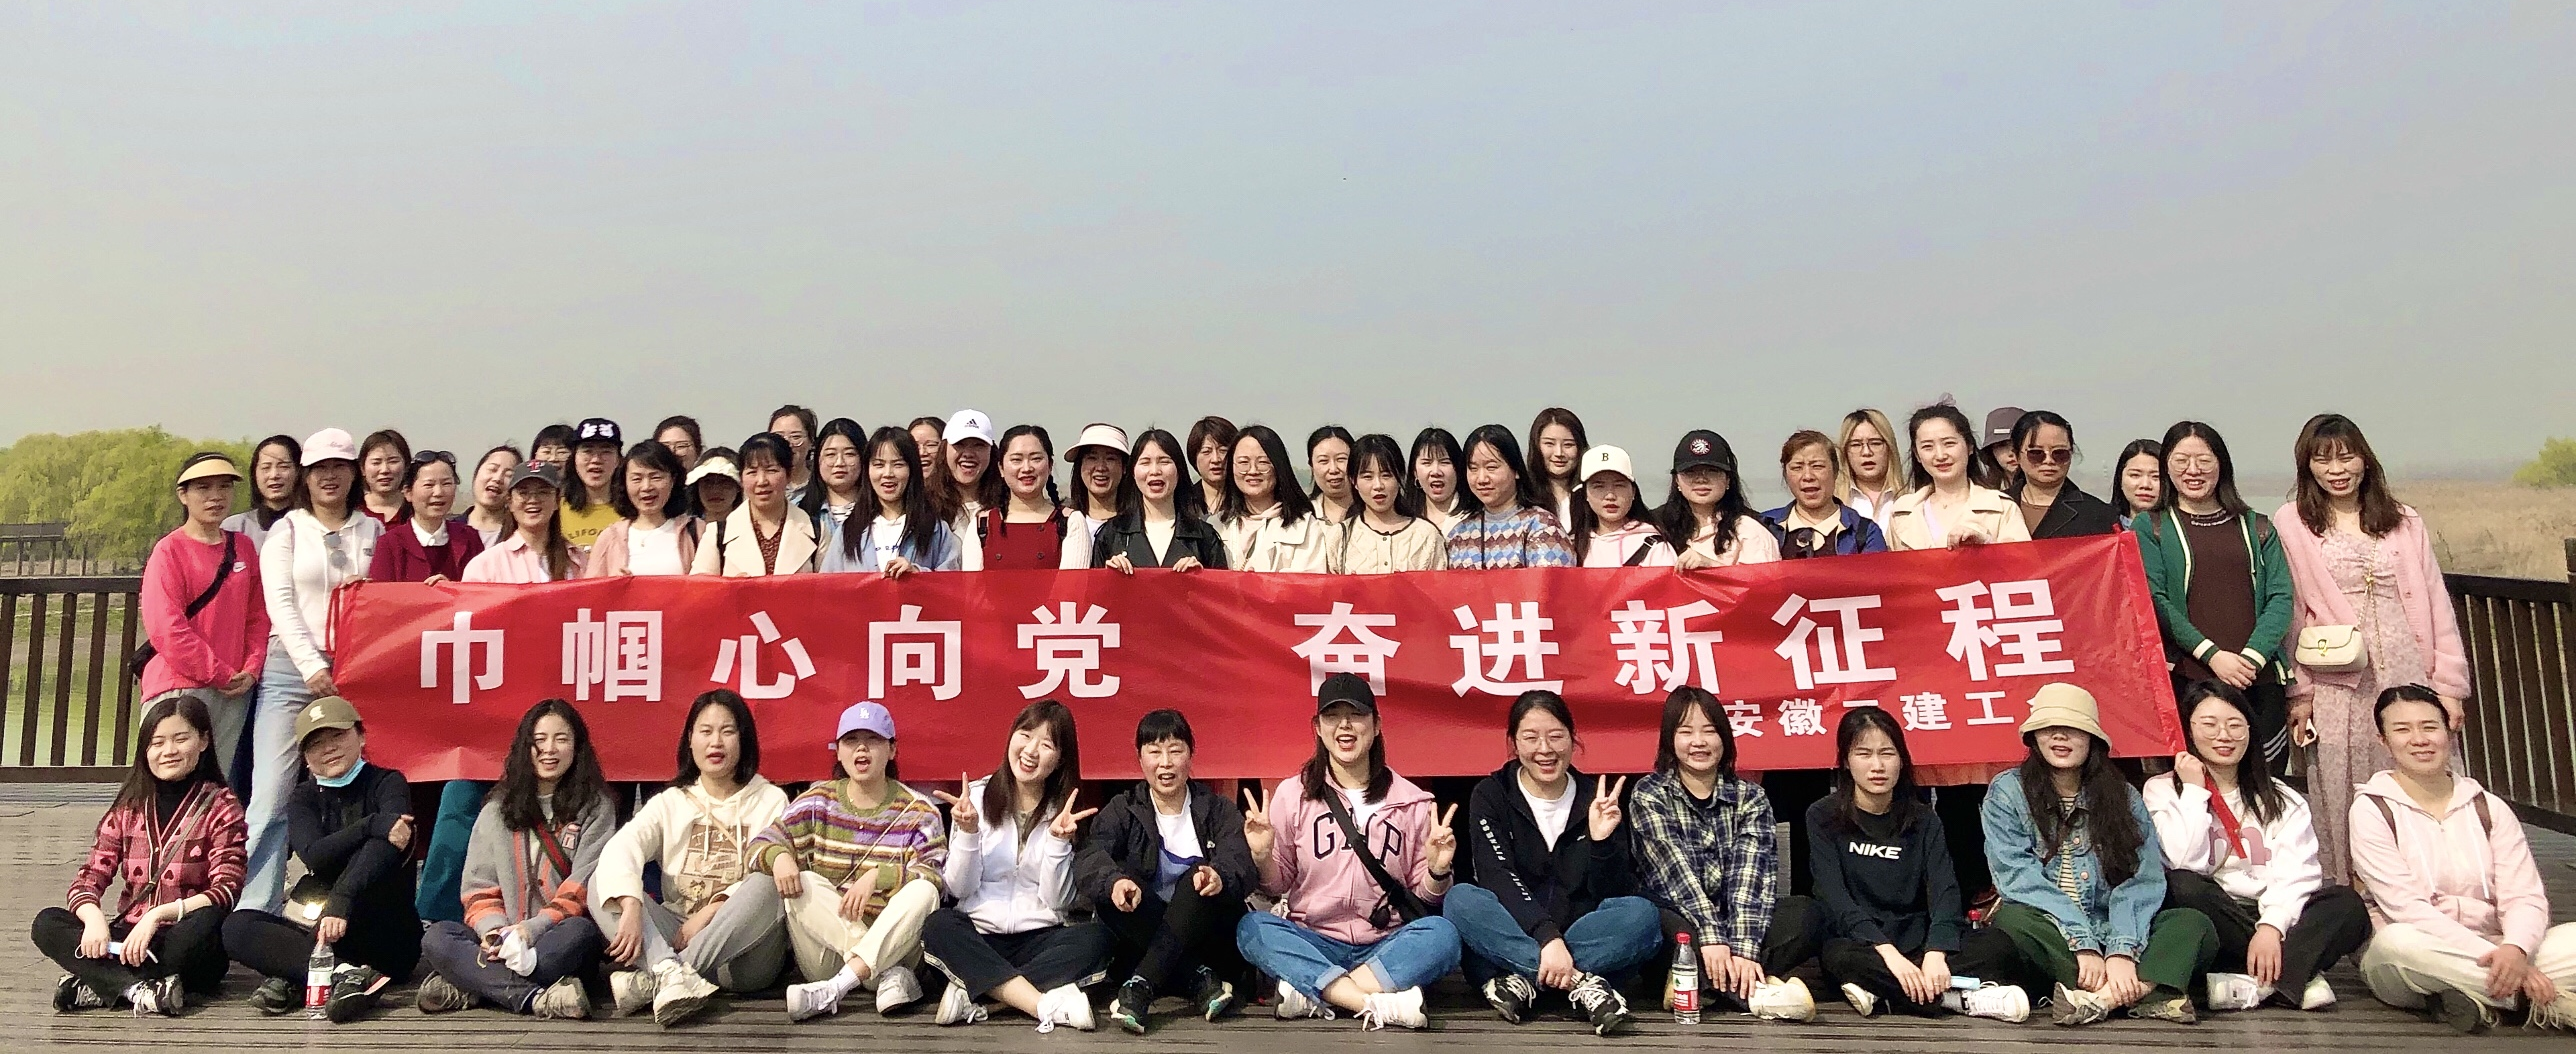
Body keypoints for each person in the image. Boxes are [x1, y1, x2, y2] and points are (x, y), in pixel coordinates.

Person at [2276, 413, 2470, 885]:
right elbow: (2293, 612)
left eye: (2346, 457)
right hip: (2337, 680)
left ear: (2365, 459)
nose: (2336, 469)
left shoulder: (2404, 519)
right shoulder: (2292, 522)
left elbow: (2435, 600)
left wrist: (2448, 686)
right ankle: (2356, 894)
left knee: (2419, 764)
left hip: (2408, 666)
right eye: (2322, 460)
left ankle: (2439, 885)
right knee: (2345, 783)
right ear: (2307, 467)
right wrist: (2300, 692)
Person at [1982, 683, 2217, 1026]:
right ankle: (2149, 990)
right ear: (2034, 737)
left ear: (2092, 738)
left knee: (2193, 924)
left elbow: (2143, 879)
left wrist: (2122, 950)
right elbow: (2017, 877)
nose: (2060, 736)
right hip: (2054, 932)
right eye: (2048, 728)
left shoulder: (2123, 796)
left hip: (2117, 927)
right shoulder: (2007, 791)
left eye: (2073, 728)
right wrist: (2083, 943)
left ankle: (2100, 999)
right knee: (2013, 922)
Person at [1237, 674, 1461, 1030]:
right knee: (1253, 928)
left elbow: (1426, 898)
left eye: (1356, 715)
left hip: (1384, 944)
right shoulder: (1293, 795)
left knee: (1443, 935)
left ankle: (1318, 992)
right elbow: (1277, 885)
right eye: (1332, 716)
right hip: (1314, 938)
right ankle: (1373, 1003)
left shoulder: (1411, 801)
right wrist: (1263, 856)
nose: (1344, 725)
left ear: (1376, 726)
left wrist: (1437, 870)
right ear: (1317, 728)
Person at [2351, 684, 2576, 1033]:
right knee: (2397, 945)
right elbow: (2406, 908)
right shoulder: (2371, 809)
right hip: (2423, 949)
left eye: (2429, 727)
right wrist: (2511, 964)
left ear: (2449, 731)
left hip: (2499, 945)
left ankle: (2475, 996)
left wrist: (2516, 949)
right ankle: (2543, 1000)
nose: (2419, 740)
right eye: (2403, 730)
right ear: (2384, 741)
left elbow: (2525, 896)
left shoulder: (2488, 807)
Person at [2145, 681, 2370, 1013]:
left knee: (2346, 905)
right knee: (2182, 885)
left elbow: (2298, 872)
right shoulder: (2162, 790)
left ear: (2250, 730)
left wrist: (2271, 926)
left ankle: (2253, 986)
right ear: (2187, 731)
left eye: (2235, 725)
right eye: (2209, 724)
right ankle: (2295, 975)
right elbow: (2183, 861)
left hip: (2276, 915)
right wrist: (2193, 791)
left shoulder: (2282, 797)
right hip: (2214, 916)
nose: (2224, 735)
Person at [1445, 691, 1656, 1036]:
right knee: (1461, 900)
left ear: (1573, 739)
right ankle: (1580, 984)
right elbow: (1497, 876)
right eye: (1531, 738)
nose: (1544, 749)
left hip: (1579, 936)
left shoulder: (1595, 798)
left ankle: (1524, 981)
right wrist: (1546, 940)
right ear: (1514, 743)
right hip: (1515, 930)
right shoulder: (1491, 794)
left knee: (1642, 914)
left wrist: (1601, 843)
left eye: (1556, 736)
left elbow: (1610, 893)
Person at [1805, 707, 2030, 1021]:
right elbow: (1835, 897)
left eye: (1887, 753)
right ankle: (1957, 1000)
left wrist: (1936, 952)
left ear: (1901, 759)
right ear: (1845, 761)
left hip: (1918, 939)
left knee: (1998, 946)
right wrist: (1887, 952)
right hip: (1864, 942)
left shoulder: (1923, 819)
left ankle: (1882, 992)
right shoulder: (1823, 816)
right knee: (1837, 957)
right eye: (1864, 754)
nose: (1877, 766)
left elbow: (1944, 890)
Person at [34, 694, 244, 1016]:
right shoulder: (129, 807)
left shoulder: (222, 806)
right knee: (46, 922)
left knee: (208, 920)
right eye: (157, 743)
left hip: (182, 941)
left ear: (203, 741)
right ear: (145, 750)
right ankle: (138, 989)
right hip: (130, 940)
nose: (169, 751)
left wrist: (157, 916)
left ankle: (101, 983)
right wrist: (94, 920)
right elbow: (89, 877)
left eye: (180, 739)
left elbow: (227, 889)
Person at [595, 691, 793, 1027]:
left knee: (767, 880)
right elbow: (623, 847)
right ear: (690, 740)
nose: (716, 742)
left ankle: (664, 976)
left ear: (743, 739)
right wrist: (630, 902)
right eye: (706, 731)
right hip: (677, 933)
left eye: (727, 731)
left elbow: (769, 874)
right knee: (601, 884)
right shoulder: (671, 801)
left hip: (743, 959)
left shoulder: (770, 799)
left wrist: (710, 912)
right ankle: (668, 971)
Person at [218, 696, 418, 1022]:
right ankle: (343, 976)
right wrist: (372, 824)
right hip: (324, 931)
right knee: (236, 927)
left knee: (376, 852)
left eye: (337, 736)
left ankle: (296, 978)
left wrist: (342, 898)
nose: (328, 749)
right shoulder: (303, 797)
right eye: (315, 744)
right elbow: (314, 855)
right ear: (305, 758)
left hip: (384, 930)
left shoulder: (388, 782)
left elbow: (391, 845)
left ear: (361, 735)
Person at [415, 699, 618, 1019]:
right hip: (502, 939)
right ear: (525, 747)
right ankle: (535, 997)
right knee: (437, 938)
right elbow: (478, 889)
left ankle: (477, 984)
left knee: (580, 933)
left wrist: (530, 931)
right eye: (539, 740)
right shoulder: (496, 809)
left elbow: (583, 884)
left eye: (561, 739)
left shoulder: (596, 807)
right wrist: (495, 934)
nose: (549, 749)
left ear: (578, 747)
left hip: (555, 939)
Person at [746, 701, 946, 1022]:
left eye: (873, 739)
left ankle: (835, 989)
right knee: (804, 881)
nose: (861, 748)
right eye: (851, 740)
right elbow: (758, 846)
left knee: (924, 891)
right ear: (838, 751)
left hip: (898, 948)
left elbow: (935, 876)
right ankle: (873, 971)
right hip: (837, 956)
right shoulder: (816, 801)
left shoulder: (920, 812)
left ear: (892, 750)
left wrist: (878, 877)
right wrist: (780, 856)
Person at [1629, 686, 1819, 1021]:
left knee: (1807, 914)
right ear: (1669, 739)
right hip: (1681, 917)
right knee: (1654, 920)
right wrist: (1711, 936)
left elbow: (1751, 878)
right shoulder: (1649, 793)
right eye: (1686, 732)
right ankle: (1757, 994)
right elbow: (1675, 877)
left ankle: (1695, 983)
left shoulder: (1751, 797)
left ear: (1725, 738)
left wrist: (1743, 948)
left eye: (1709, 731)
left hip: (1736, 921)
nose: (1698, 742)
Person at [252, 427, 382, 914]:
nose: (329, 477)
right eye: (319, 468)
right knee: (272, 791)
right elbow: (280, 605)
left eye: (339, 467)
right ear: (305, 477)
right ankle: (255, 907)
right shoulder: (286, 531)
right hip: (291, 667)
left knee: (363, 787)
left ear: (353, 474)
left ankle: (354, 902)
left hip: (356, 668)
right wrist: (310, 665)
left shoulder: (374, 531)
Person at [921, 701, 1112, 1031]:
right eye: (1025, 735)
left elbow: (1057, 901)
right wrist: (968, 832)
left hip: (1040, 939)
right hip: (979, 936)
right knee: (939, 925)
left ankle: (978, 995)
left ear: (1060, 759)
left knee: (1098, 938)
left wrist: (1058, 842)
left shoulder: (1065, 811)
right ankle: (1043, 1004)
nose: (1031, 751)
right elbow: (959, 889)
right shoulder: (976, 798)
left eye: (1046, 744)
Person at [1080, 709, 1258, 1034]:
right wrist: (1115, 883)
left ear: (1191, 755)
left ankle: (1141, 985)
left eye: (1175, 751)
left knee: (1199, 877)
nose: (1165, 763)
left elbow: (1240, 861)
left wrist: (1219, 877)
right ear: (1140, 758)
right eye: (1154, 752)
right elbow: (1091, 856)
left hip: (1207, 939)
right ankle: (1197, 978)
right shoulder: (1123, 808)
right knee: (1120, 888)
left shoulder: (1216, 809)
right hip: (1143, 936)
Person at [2134, 421, 2293, 763]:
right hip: (2189, 678)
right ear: (2167, 467)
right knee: (2194, 779)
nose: (2193, 470)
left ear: (2222, 464)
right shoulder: (2151, 526)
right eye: (2181, 461)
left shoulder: (2257, 525)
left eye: (2204, 460)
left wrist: (2251, 659)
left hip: (2257, 679)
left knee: (2265, 779)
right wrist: (2213, 656)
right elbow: (2155, 599)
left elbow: (2280, 597)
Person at [141, 454, 267, 793]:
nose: (215, 496)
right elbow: (167, 628)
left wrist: (251, 668)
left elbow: (257, 616)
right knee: (168, 781)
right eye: (203, 488)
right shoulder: (169, 550)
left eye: (224, 487)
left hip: (234, 688)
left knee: (214, 783)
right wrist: (220, 673)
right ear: (183, 495)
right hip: (179, 683)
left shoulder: (242, 547)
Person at [1885, 405, 2032, 552]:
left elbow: (2024, 561)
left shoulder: (2002, 507)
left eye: (1949, 444)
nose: (1940, 455)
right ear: (1917, 455)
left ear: (1970, 447)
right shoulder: (1902, 512)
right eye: (1928, 447)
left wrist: (1987, 546)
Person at [820, 427, 964, 576]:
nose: (888, 474)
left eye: (898, 464)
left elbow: (951, 582)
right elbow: (827, 585)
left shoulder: (935, 530)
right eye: (879, 464)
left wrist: (917, 573)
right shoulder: (848, 532)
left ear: (912, 469)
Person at [1094, 429, 1228, 573]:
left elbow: (1221, 586)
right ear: (1132, 472)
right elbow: (1092, 586)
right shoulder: (1111, 535)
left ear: (1179, 470)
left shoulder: (1204, 537)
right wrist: (1108, 577)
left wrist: (1201, 577)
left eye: (1164, 461)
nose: (1155, 471)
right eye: (1145, 462)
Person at [1444, 424, 1575, 570]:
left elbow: (1550, 582)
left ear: (1516, 470)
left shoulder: (1542, 527)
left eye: (1491, 467)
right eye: (1473, 468)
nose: (1481, 479)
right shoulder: (1459, 535)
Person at [691, 433, 819, 576]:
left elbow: (830, 586)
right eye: (752, 472)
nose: (761, 481)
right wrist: (730, 587)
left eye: (771, 470)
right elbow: (698, 587)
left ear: (788, 474)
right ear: (741, 478)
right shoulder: (717, 534)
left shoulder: (817, 532)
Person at [1219, 425, 1340, 573]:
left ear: (1278, 466)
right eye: (1243, 462)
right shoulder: (1216, 526)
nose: (1253, 470)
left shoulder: (1303, 526)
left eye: (1263, 462)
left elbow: (1310, 582)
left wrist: (1262, 582)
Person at [1657, 429, 1781, 569]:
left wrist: (1711, 567)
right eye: (1690, 472)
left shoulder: (1749, 531)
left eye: (1712, 471)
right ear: (1676, 481)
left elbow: (1765, 581)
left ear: (1728, 479)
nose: (1701, 479)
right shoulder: (1657, 529)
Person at [1761, 430, 1887, 559]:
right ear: (1785, 475)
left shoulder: (1864, 533)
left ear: (1835, 471)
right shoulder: (1763, 526)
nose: (1808, 476)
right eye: (1797, 468)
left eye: (1817, 466)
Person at [367, 451, 485, 583]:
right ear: (408, 492)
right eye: (429, 485)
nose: (438, 492)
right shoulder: (390, 544)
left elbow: (481, 590)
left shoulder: (470, 539)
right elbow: (381, 593)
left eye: (446, 484)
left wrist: (452, 589)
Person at [584, 441, 698, 577]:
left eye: (656, 477)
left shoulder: (695, 531)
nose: (646, 487)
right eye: (637, 479)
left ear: (673, 480)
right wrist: (614, 584)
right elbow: (591, 588)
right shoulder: (610, 537)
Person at [2002, 411, 2121, 539]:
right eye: (2036, 453)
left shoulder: (2099, 515)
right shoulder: (1994, 507)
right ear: (2017, 455)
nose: (2048, 460)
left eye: (2059, 453)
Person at [1340, 433, 1446, 573]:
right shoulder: (1339, 537)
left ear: (1400, 477)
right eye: (1367, 477)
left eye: (1386, 475)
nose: (1378, 485)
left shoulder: (1427, 535)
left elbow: (1439, 585)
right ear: (1354, 481)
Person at [461, 462, 581, 583]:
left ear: (556, 501)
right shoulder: (485, 565)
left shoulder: (578, 560)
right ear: (510, 502)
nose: (533, 500)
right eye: (523, 493)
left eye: (543, 492)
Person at [981, 425, 1075, 570]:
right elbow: (971, 583)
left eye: (1036, 459)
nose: (1026, 468)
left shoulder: (1071, 521)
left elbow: (1074, 582)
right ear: (1001, 468)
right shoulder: (982, 524)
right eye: (1017, 460)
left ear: (1050, 465)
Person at [1568, 445, 1670, 567]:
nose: (1610, 495)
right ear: (1585, 494)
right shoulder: (1571, 546)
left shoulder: (1655, 545)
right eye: (1599, 486)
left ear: (1633, 492)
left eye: (1619, 485)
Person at [1062, 423, 1131, 569]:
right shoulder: (1062, 524)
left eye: (1110, 458)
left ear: (1124, 467)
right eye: (1092, 458)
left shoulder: (1138, 527)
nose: (1100, 467)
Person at [222, 434, 302, 551]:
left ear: (299, 472)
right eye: (266, 468)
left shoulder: (313, 525)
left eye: (283, 467)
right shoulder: (234, 527)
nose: (274, 475)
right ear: (254, 474)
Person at [940, 409, 997, 571]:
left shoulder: (1007, 507)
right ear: (944, 449)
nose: (968, 454)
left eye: (979, 445)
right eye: (959, 445)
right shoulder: (925, 507)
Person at [558, 418, 625, 553]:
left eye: (606, 451)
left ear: (618, 459)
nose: (596, 460)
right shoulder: (555, 510)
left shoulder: (632, 512)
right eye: (587, 451)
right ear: (574, 458)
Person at [1835, 409, 1903, 531]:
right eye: (1856, 445)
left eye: (1875, 443)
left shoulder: (1912, 500)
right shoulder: (1833, 505)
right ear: (1845, 452)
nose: (1866, 452)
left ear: (1889, 447)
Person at [804, 418, 870, 533]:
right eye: (831, 454)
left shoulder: (880, 512)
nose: (839, 463)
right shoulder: (799, 513)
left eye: (849, 454)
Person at [1527, 408, 1587, 528]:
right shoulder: (1524, 496)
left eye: (1568, 445)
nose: (1559, 453)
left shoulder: (1592, 496)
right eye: (1549, 444)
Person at [1406, 426, 1469, 535]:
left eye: (1445, 462)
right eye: (1426, 463)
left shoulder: (1475, 518)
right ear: (1414, 472)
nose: (1436, 471)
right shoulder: (1402, 520)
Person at [460, 445, 522, 547]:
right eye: (492, 469)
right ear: (476, 474)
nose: (498, 479)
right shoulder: (449, 532)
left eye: (509, 475)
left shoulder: (520, 535)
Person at [356, 429, 412, 525]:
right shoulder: (350, 511)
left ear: (406, 466)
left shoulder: (418, 511)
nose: (385, 470)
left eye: (393, 461)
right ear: (362, 468)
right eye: (376, 463)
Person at [1186, 416, 1237, 520]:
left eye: (1223, 450)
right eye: (1206, 451)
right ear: (1194, 457)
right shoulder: (1183, 502)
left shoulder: (1247, 500)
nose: (1216, 459)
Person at [1306, 425, 1358, 525]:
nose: (1333, 469)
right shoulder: (1302, 516)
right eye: (1323, 461)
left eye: (1341, 459)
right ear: (1311, 467)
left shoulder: (1374, 513)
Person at [768, 404, 819, 503]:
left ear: (812, 442)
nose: (787, 444)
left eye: (795, 437)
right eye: (779, 437)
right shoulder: (756, 485)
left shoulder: (822, 486)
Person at [2113, 439, 2163, 526]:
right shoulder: (2100, 527)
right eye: (2135, 475)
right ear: (2120, 479)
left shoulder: (2181, 530)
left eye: (2156, 476)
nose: (2145, 485)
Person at [1973, 407, 2024, 490]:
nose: (2011, 452)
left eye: (2018, 443)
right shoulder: (1981, 493)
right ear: (1991, 451)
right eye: (2002, 445)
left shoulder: (2046, 489)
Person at [687, 447, 741, 524]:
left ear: (738, 486)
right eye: (707, 482)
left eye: (724, 482)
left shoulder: (753, 528)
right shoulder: (681, 529)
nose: (715, 490)